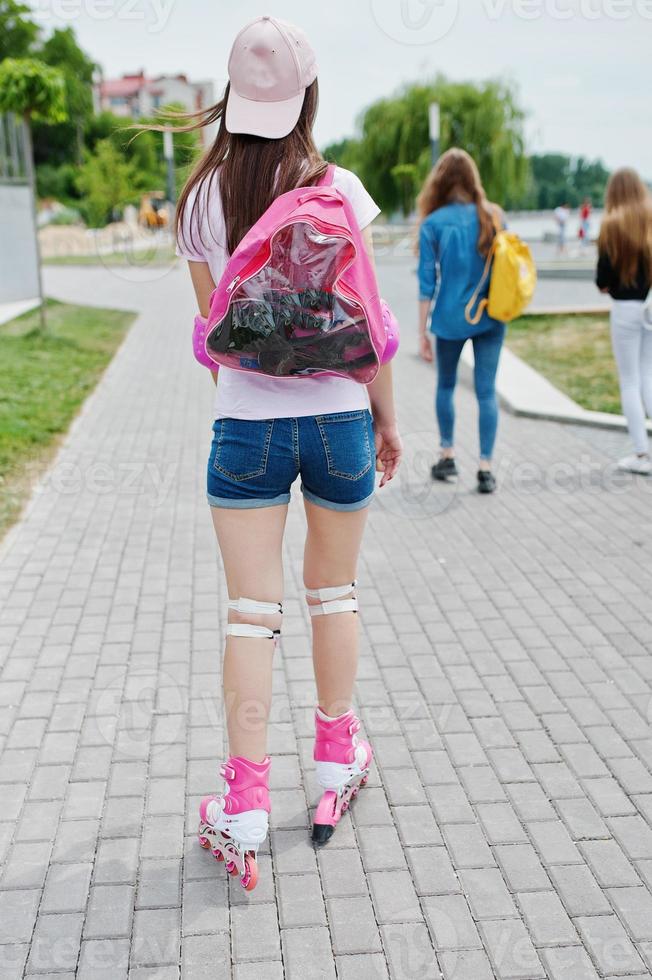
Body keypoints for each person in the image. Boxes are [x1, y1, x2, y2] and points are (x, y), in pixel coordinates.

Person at [174, 16, 402, 889]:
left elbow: (213, 338)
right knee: (333, 593)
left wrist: (247, 408)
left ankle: (243, 805)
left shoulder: (199, 200)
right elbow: (373, 331)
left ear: (233, 97)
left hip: (245, 430)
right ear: (308, 97)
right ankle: (339, 762)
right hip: (342, 419)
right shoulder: (340, 188)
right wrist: (386, 423)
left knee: (250, 615)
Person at [417, 148, 505, 494]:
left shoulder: (433, 223)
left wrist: (421, 331)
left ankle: (448, 455)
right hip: (491, 315)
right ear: (473, 180)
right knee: (486, 391)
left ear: (439, 183)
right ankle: (485, 467)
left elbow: (428, 282)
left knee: (446, 386)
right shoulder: (493, 216)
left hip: (450, 318)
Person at [596, 167, 652, 475]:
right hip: (650, 307)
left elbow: (602, 280)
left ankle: (642, 455)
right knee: (649, 375)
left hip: (625, 309)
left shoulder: (611, 225)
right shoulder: (650, 220)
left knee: (630, 381)